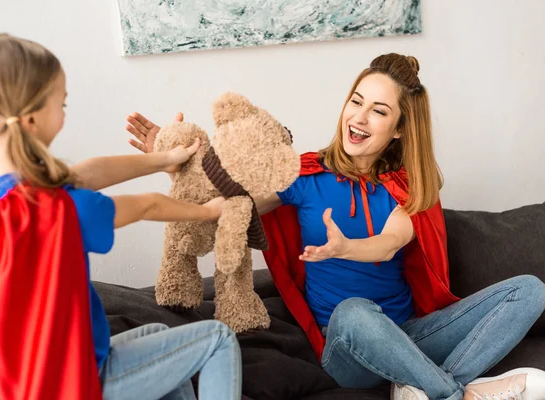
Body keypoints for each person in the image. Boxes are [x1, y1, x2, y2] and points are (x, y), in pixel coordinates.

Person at [127, 54, 545, 400]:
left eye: (379, 111)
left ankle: (418, 382)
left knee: (529, 290)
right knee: (354, 311)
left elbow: (388, 244)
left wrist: (346, 248)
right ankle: (457, 394)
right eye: (356, 102)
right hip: (345, 347)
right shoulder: (305, 176)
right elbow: (234, 204)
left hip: (409, 335)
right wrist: (179, 166)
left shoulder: (409, 185)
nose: (359, 118)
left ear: (399, 129)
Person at [0, 33, 241, 400]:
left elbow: (83, 173)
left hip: (4, 385)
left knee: (157, 339)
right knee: (217, 339)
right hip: (71, 384)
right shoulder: (58, 212)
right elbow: (148, 204)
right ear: (33, 118)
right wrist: (207, 211)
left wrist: (163, 159)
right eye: (62, 104)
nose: (65, 113)